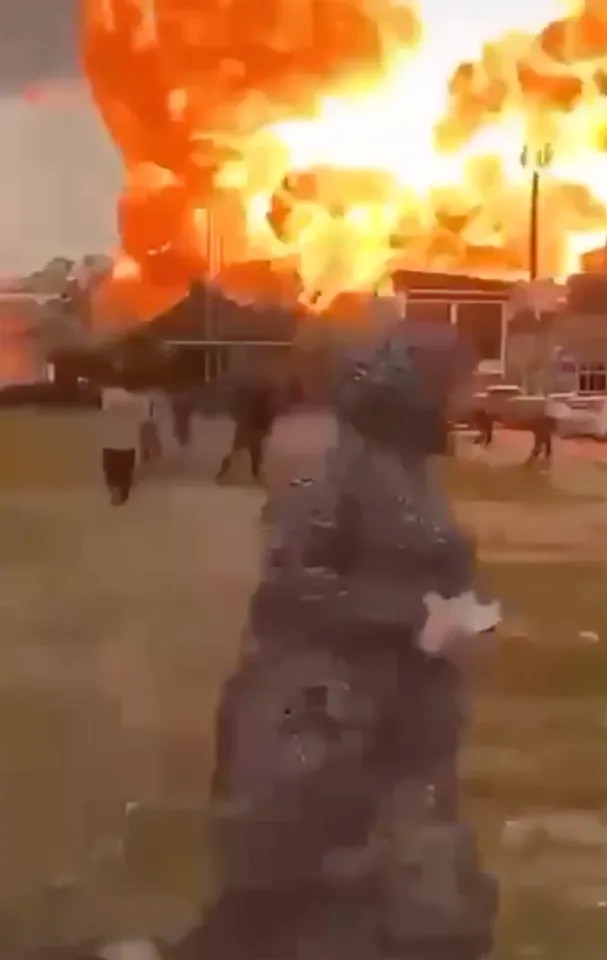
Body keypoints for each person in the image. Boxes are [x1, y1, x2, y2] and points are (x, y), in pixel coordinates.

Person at [99, 370, 153, 505]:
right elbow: (145, 424)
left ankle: (120, 490)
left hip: (111, 441)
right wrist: (145, 448)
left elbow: (105, 411)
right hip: (129, 443)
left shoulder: (109, 393)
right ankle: (122, 490)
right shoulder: (143, 398)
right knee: (121, 476)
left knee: (113, 477)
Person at [216, 375, 278, 484]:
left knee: (241, 452)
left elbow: (265, 416)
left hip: (249, 430)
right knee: (252, 455)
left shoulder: (254, 400)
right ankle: (254, 475)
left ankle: (225, 472)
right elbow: (267, 416)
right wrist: (265, 429)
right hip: (253, 431)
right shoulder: (261, 400)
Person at [526, 395, 557, 469]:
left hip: (541, 435)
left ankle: (532, 461)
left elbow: (534, 427)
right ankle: (543, 461)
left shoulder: (540, 417)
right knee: (544, 448)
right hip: (544, 435)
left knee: (540, 448)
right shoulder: (547, 417)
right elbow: (553, 426)